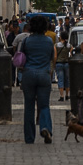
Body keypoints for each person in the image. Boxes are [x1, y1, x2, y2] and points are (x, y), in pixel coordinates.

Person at [20, 14, 56, 144]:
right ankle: (45, 127)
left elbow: (21, 58)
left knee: (29, 106)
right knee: (44, 105)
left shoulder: (27, 41)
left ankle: (29, 138)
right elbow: (52, 57)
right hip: (44, 75)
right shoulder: (49, 41)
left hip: (29, 74)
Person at [55, 31, 72, 101]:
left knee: (60, 80)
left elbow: (55, 56)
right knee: (67, 80)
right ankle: (67, 95)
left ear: (60, 37)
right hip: (67, 64)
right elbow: (70, 55)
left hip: (59, 64)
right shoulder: (69, 46)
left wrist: (54, 63)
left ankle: (61, 96)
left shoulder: (56, 45)